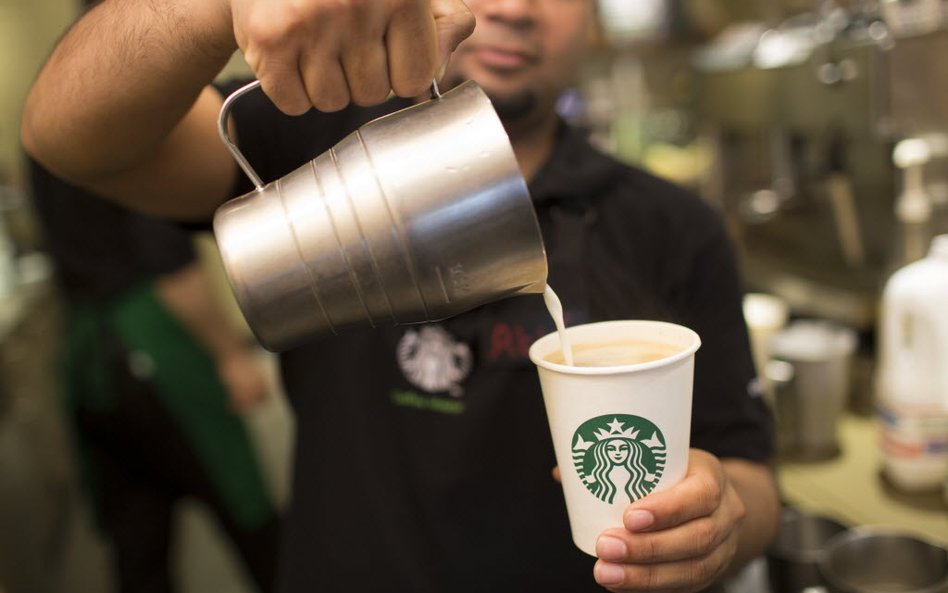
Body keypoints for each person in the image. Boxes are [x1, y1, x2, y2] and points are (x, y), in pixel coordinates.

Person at [20, 0, 781, 591]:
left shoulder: (673, 224)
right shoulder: (310, 133)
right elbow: (64, 136)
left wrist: (722, 518)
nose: (516, 8)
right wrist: (215, 7)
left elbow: (751, 474)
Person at [25, 153, 282, 593]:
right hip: (154, 348)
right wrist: (231, 355)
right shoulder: (120, 125)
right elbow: (171, 269)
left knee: (139, 545)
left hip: (89, 364)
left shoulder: (43, 134)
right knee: (250, 519)